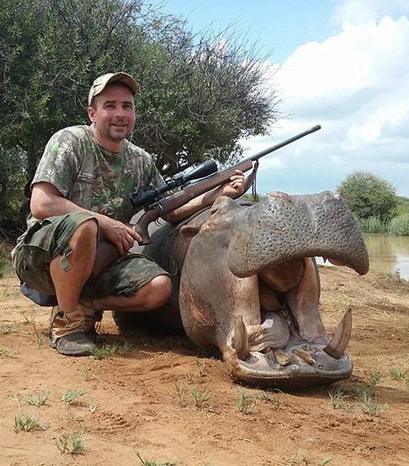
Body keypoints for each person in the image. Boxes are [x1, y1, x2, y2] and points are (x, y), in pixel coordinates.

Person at [12, 72, 245, 356]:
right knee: (84, 225)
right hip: (40, 258)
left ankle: (84, 306)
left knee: (159, 287)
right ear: (92, 113)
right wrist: (107, 223)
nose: (120, 113)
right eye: (110, 105)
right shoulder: (70, 141)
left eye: (127, 106)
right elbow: (42, 203)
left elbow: (171, 209)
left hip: (101, 263)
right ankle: (69, 326)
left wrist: (218, 194)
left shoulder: (140, 160)